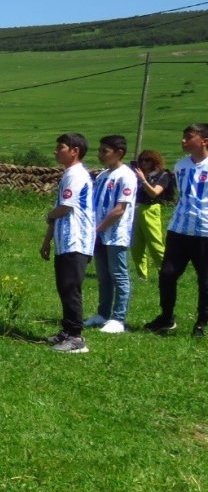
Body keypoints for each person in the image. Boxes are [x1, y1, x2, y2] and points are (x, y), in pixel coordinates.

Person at [143, 123, 208, 338]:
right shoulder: (180, 165)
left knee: (205, 279)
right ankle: (166, 317)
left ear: (204, 141)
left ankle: (202, 322)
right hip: (179, 229)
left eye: (189, 137)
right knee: (167, 273)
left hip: (205, 231)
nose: (183, 141)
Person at [39, 133, 95, 354]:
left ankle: (76, 337)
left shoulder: (76, 175)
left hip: (76, 239)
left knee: (71, 288)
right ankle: (67, 330)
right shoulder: (68, 175)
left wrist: (49, 215)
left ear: (75, 151)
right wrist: (48, 239)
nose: (55, 151)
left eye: (60, 147)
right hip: (66, 240)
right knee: (64, 287)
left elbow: (65, 208)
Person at [86, 135, 137, 334]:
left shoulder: (127, 176)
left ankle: (118, 317)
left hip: (116, 233)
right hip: (98, 233)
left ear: (119, 153)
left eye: (104, 151)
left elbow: (120, 209)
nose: (100, 155)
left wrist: (98, 228)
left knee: (119, 275)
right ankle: (103, 313)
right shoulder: (102, 176)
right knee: (103, 276)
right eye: (99, 151)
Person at [131, 149, 174, 280]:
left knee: (155, 244)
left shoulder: (163, 175)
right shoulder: (137, 174)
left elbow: (154, 193)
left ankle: (165, 271)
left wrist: (143, 180)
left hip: (151, 208)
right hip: (136, 209)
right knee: (136, 246)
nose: (144, 163)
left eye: (147, 160)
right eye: (142, 160)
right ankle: (141, 275)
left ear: (154, 161)